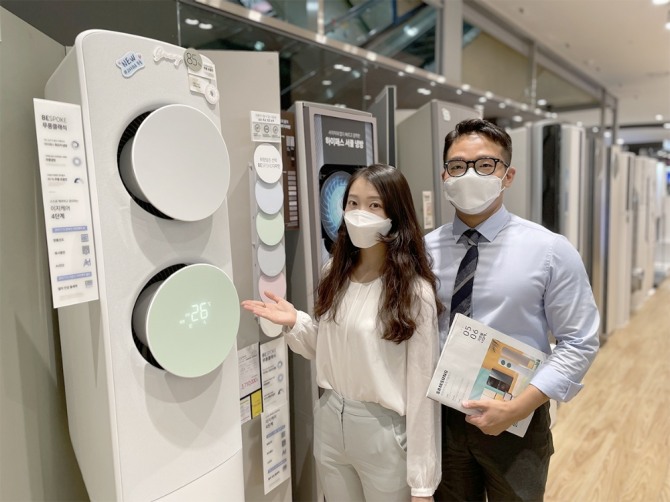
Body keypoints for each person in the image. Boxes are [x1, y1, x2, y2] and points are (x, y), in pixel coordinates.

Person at [242, 164, 443, 501]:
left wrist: (422, 483)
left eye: (374, 205)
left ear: (395, 214)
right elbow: (328, 349)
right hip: (330, 421)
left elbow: (423, 389)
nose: (360, 213)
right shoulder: (333, 273)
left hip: (383, 432)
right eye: (353, 203)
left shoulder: (413, 292)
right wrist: (294, 322)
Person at [425, 118, 600, 502]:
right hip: (438, 418)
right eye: (458, 165)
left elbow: (579, 342)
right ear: (444, 176)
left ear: (508, 175)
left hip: (517, 416)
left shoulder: (549, 250)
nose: (470, 174)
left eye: (485, 165)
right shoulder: (424, 251)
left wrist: (518, 408)